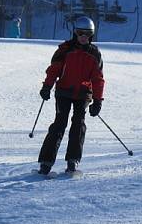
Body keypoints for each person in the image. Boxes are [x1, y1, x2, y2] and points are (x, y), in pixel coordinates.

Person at [37, 16, 104, 175]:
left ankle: (72, 160)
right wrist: (47, 86)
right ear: (75, 33)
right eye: (80, 33)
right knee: (59, 124)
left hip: (83, 94)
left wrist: (97, 101)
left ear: (91, 35)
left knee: (78, 124)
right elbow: (54, 69)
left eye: (87, 34)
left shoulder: (94, 54)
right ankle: (46, 162)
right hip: (64, 92)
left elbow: (98, 79)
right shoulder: (65, 50)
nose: (83, 37)